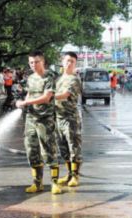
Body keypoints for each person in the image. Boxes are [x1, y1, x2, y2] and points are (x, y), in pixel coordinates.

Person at [15, 50, 61, 195]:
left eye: (36, 62)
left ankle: (54, 183)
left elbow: (47, 97)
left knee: (48, 150)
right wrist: (22, 102)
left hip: (45, 119)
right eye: (31, 62)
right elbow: (29, 93)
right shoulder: (30, 78)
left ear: (43, 61)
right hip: (31, 118)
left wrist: (27, 101)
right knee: (31, 150)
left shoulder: (50, 76)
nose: (34, 65)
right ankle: (37, 183)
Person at [54, 52, 83, 188]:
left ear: (75, 63)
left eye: (72, 61)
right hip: (59, 117)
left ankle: (75, 176)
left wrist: (48, 97)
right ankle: (69, 174)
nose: (69, 63)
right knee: (63, 148)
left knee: (74, 147)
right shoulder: (59, 79)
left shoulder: (74, 79)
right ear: (62, 62)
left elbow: (65, 95)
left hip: (71, 118)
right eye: (67, 60)